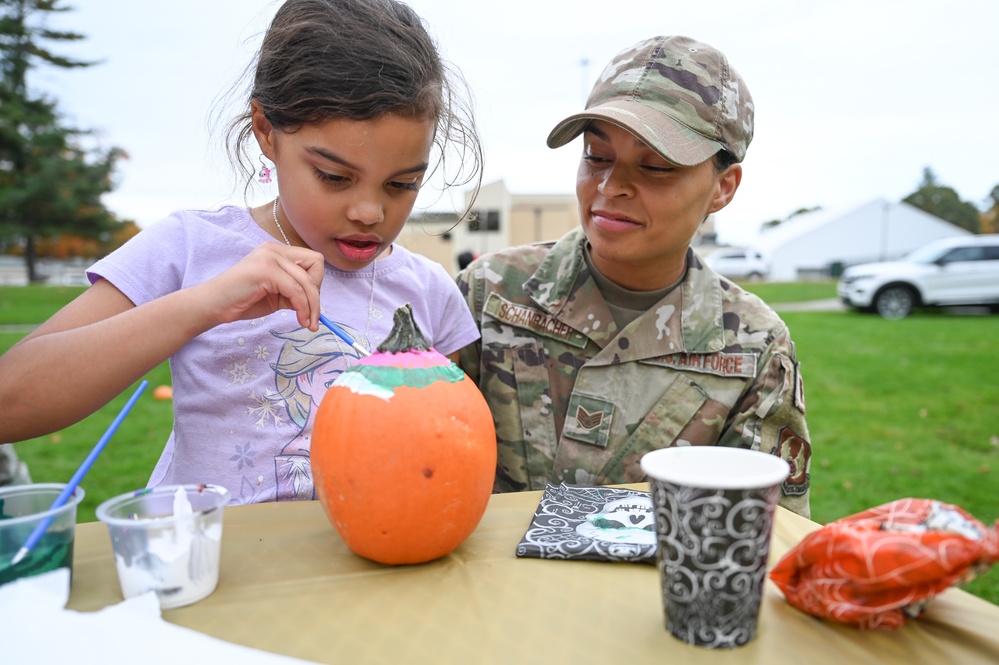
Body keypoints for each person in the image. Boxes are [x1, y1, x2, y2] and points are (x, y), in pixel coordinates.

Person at [0, 0, 483, 504]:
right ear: (266, 131)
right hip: (208, 573)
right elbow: (10, 400)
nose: (369, 212)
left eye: (402, 183)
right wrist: (205, 304)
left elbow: (442, 455)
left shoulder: (428, 293)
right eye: (334, 177)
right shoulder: (189, 248)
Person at [456, 36, 812, 518]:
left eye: (656, 167)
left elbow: (758, 538)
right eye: (596, 157)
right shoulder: (490, 291)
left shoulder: (754, 347)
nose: (611, 186)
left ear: (722, 187)